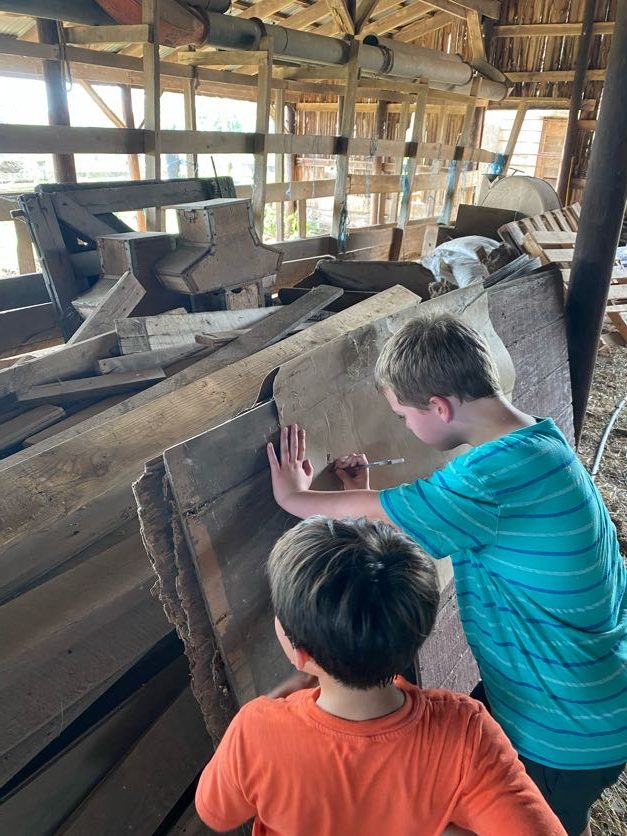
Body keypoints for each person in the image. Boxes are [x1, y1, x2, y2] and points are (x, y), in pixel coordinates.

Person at [266, 313, 627, 836]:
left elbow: (385, 510)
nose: (406, 428)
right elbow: (404, 519)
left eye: (404, 415)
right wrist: (362, 490)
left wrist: (294, 497)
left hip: (559, 728)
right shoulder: (539, 447)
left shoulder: (485, 479)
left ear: (439, 406)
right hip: (586, 699)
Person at [196, 517, 565, 835]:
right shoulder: (465, 734)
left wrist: (276, 700)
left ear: (300, 653)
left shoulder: (255, 731)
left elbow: (215, 811)